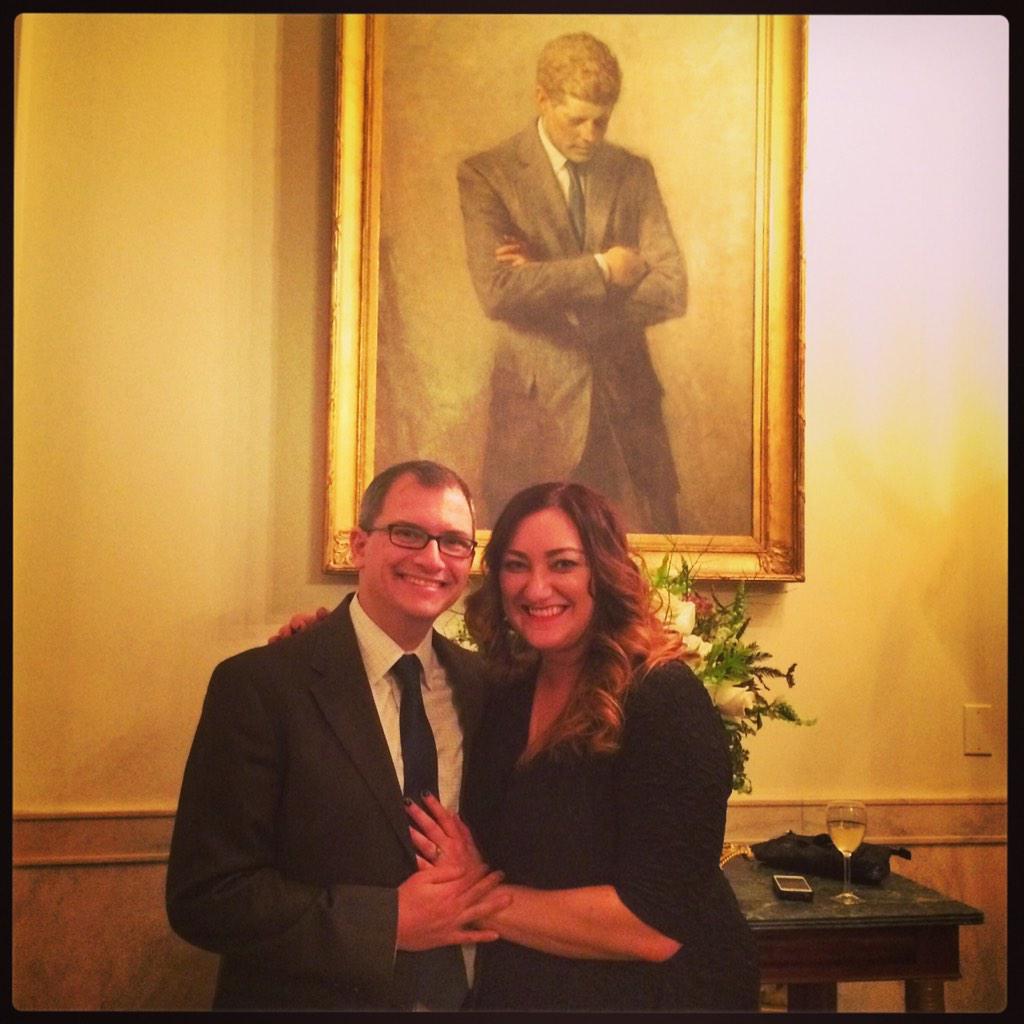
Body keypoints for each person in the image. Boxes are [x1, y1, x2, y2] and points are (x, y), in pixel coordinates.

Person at [165, 460, 511, 1011]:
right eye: (408, 533)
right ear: (360, 546)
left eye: (454, 542)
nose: (432, 558)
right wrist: (385, 924)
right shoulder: (260, 686)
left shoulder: (487, 688)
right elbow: (206, 896)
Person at [404, 481, 760, 1011]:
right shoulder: (506, 692)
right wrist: (320, 641)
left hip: (659, 999)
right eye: (516, 565)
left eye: (563, 564)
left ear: (605, 572)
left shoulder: (663, 698)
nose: (536, 587)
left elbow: (653, 927)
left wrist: (477, 897)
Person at [458, 32, 687, 533]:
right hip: (537, 418)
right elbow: (497, 291)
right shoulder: (488, 175)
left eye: (602, 120)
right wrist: (604, 269)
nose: (590, 135)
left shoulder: (633, 174)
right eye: (576, 120)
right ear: (542, 99)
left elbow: (671, 288)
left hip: (629, 414)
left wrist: (544, 276)